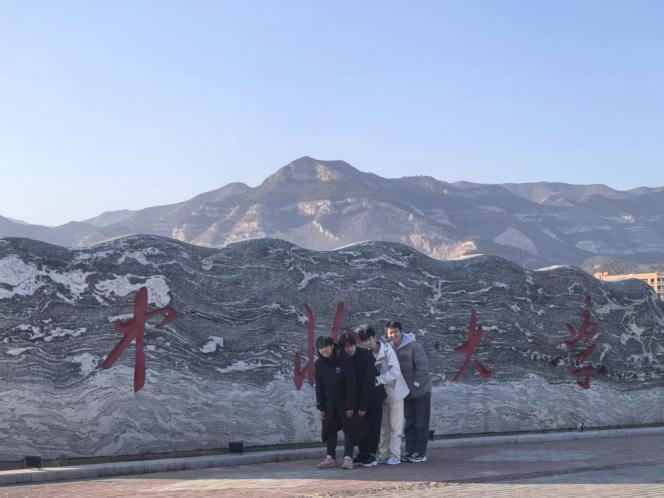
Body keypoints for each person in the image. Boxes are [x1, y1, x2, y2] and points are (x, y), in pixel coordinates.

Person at [359, 326, 409, 466]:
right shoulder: (367, 353)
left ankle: (395, 455)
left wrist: (378, 380)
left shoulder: (388, 350)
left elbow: (395, 371)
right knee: (383, 427)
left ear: (374, 337)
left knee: (395, 427)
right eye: (364, 341)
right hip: (380, 396)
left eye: (369, 339)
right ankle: (384, 454)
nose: (367, 343)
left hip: (395, 393)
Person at [386, 320, 432, 463]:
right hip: (404, 393)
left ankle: (420, 452)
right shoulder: (389, 349)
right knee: (409, 422)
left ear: (401, 331)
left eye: (396, 332)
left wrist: (415, 385)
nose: (393, 335)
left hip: (421, 391)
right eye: (390, 333)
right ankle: (410, 449)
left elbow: (423, 368)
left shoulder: (414, 346)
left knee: (421, 422)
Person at [338, 331, 384, 467]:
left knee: (374, 424)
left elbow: (369, 382)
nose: (349, 349)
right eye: (346, 347)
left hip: (374, 395)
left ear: (355, 344)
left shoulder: (366, 355)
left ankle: (371, 454)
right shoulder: (343, 359)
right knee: (361, 425)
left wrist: (363, 406)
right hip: (358, 398)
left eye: (351, 345)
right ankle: (362, 453)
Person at [314, 335, 357, 469]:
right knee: (330, 428)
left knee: (348, 429)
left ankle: (348, 458)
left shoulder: (343, 359)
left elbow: (351, 383)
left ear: (332, 346)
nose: (324, 350)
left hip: (344, 401)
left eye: (326, 347)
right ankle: (330, 457)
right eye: (320, 348)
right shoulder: (319, 363)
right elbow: (319, 386)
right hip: (329, 402)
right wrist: (321, 406)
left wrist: (350, 404)